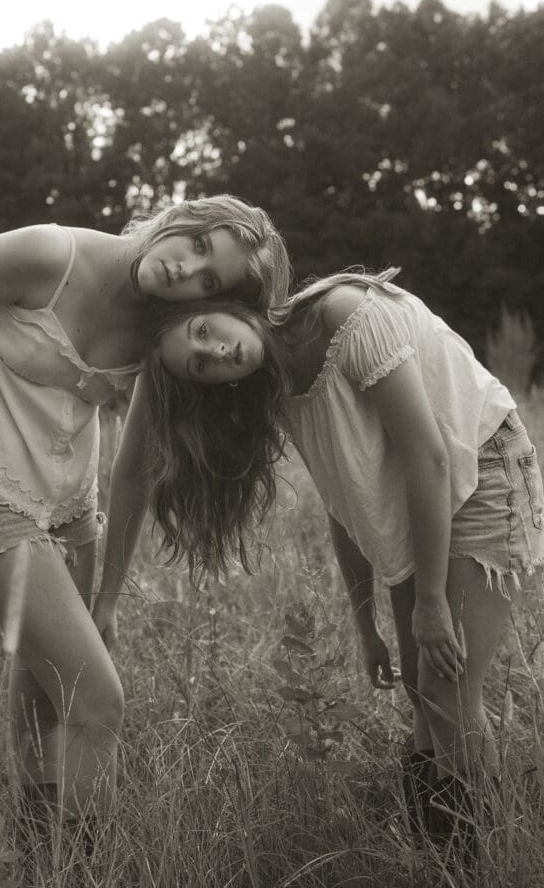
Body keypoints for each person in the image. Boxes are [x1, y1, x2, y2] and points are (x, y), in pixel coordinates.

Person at [0, 195, 291, 849]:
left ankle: (36, 833)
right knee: (99, 700)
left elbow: (131, 471)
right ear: (182, 218)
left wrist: (108, 594)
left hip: (69, 509)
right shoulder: (47, 254)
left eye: (208, 282)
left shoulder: (159, 326)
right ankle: (81, 862)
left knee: (50, 680)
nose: (183, 270)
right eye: (196, 247)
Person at [105, 268, 544, 853]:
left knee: (447, 688)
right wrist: (366, 624)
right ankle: (434, 846)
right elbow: (347, 499)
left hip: (482, 469)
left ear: (227, 307)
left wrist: (431, 602)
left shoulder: (343, 315)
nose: (217, 351)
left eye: (205, 331)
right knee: (422, 687)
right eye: (201, 365)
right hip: (422, 496)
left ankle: (484, 856)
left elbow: (430, 456)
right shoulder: (278, 391)